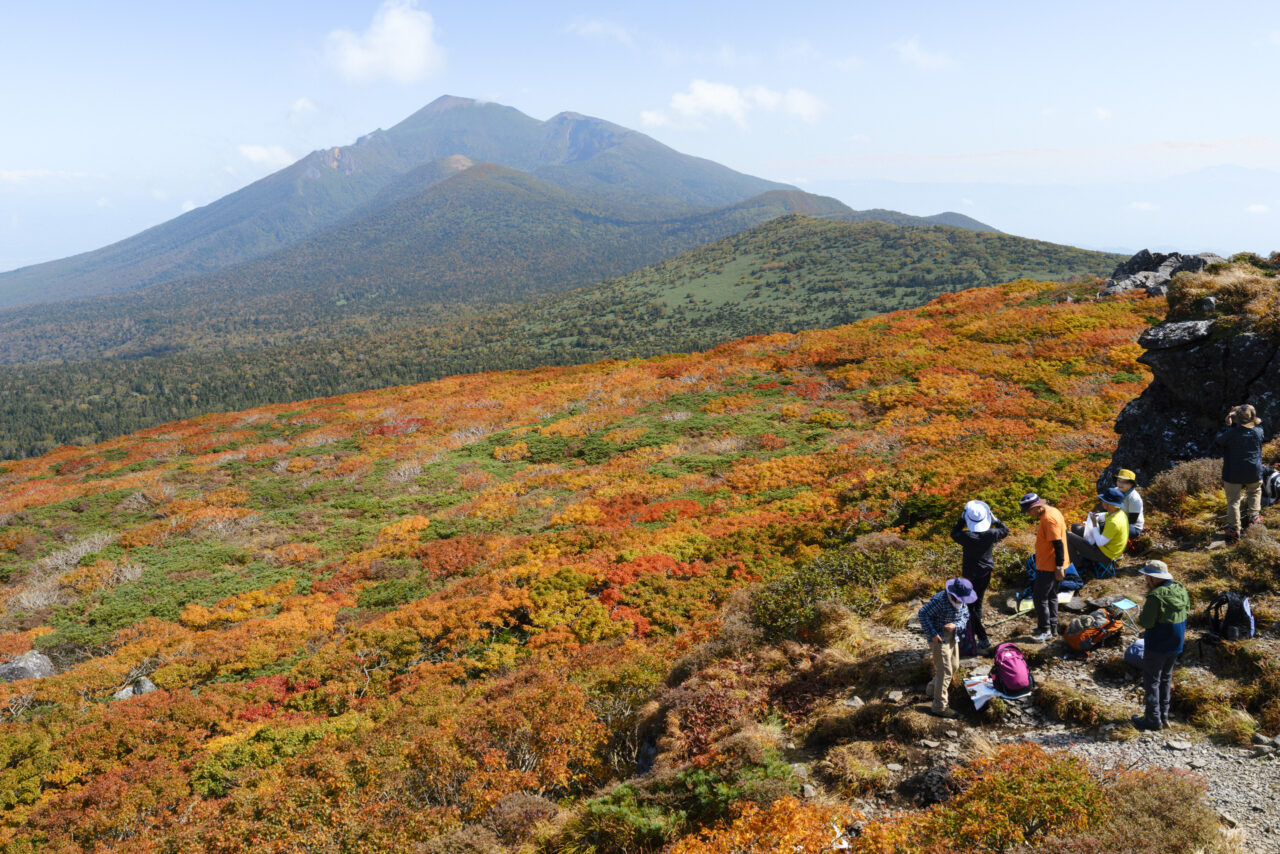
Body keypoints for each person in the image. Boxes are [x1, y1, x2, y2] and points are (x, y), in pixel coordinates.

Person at [1131, 560, 1189, 731]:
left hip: (1156, 643)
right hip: (1176, 643)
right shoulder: (1181, 589)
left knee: (1152, 680)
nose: (1145, 579)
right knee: (1166, 678)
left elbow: (1147, 622)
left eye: (1147, 576)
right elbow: (1187, 612)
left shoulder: (1155, 596)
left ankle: (1152, 719)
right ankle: (1164, 716)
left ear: (1154, 579)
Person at [949, 499, 1009, 651]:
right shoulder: (991, 534)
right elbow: (1005, 530)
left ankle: (981, 637)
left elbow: (954, 533)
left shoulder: (966, 536)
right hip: (985, 573)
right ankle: (976, 632)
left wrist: (961, 519)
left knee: (970, 607)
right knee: (977, 603)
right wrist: (996, 520)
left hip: (969, 575)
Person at [917, 577, 977, 718]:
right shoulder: (940, 601)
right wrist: (932, 634)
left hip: (953, 636)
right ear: (953, 595)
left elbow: (965, 616)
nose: (962, 601)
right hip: (938, 638)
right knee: (945, 671)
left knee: (954, 666)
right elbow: (922, 614)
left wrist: (956, 626)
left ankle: (932, 690)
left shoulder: (962, 602)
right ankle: (939, 706)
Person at [1019, 492, 1067, 643]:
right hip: (1049, 563)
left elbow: (1058, 544)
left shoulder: (1049, 519)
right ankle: (1052, 628)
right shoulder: (1052, 512)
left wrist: (1059, 567)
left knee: (1040, 597)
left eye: (1029, 511)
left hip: (1049, 565)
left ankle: (1044, 630)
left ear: (1038, 507)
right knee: (1051, 595)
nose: (1029, 514)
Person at [1216, 404, 1264, 540]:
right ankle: (1254, 517)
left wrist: (1228, 425)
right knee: (1254, 491)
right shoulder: (1259, 431)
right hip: (1253, 470)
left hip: (1233, 472)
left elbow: (1220, 440)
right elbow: (1252, 426)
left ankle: (1234, 529)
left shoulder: (1231, 433)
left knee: (1233, 501)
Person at [1066, 487, 1129, 572]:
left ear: (1109, 504)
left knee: (1067, 535)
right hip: (1111, 549)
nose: (1101, 501)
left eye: (1103, 500)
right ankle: (1081, 558)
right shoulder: (1119, 513)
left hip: (1105, 555)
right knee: (1075, 527)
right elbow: (1104, 516)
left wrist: (1095, 524)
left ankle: (1078, 567)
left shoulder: (1114, 522)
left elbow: (1100, 542)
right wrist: (1095, 517)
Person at [1115, 469, 1144, 539]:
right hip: (1116, 520)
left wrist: (1113, 523)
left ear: (1131, 484)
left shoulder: (1134, 498)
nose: (1120, 484)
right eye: (1119, 481)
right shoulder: (1115, 490)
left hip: (1133, 527)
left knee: (1108, 528)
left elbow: (1132, 520)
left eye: (1124, 482)